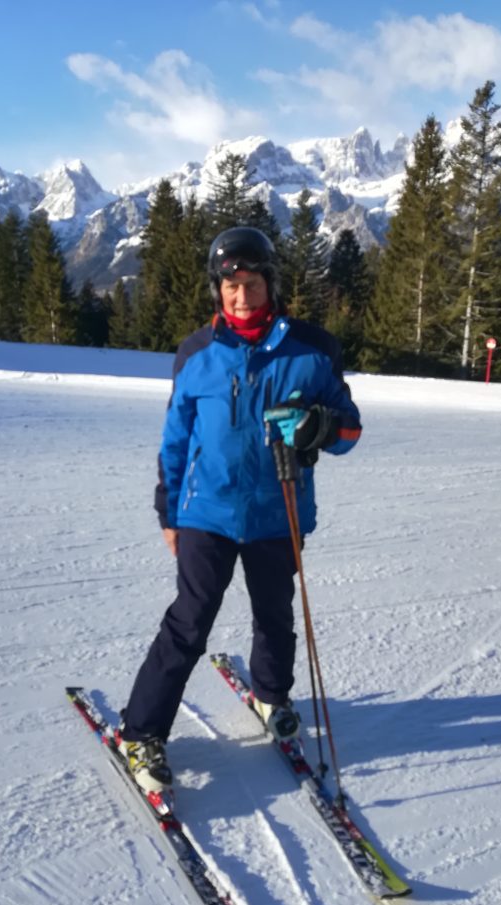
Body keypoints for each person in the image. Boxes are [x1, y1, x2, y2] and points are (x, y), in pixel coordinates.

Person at [117, 225, 362, 792]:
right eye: (231, 287)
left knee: (275, 614)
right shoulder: (197, 354)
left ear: (270, 284)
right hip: (207, 513)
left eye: (251, 284)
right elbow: (175, 441)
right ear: (218, 290)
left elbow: (349, 429)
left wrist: (319, 427)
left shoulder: (313, 350)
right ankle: (141, 731)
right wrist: (168, 513)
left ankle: (271, 695)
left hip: (279, 511)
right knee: (190, 620)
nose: (242, 296)